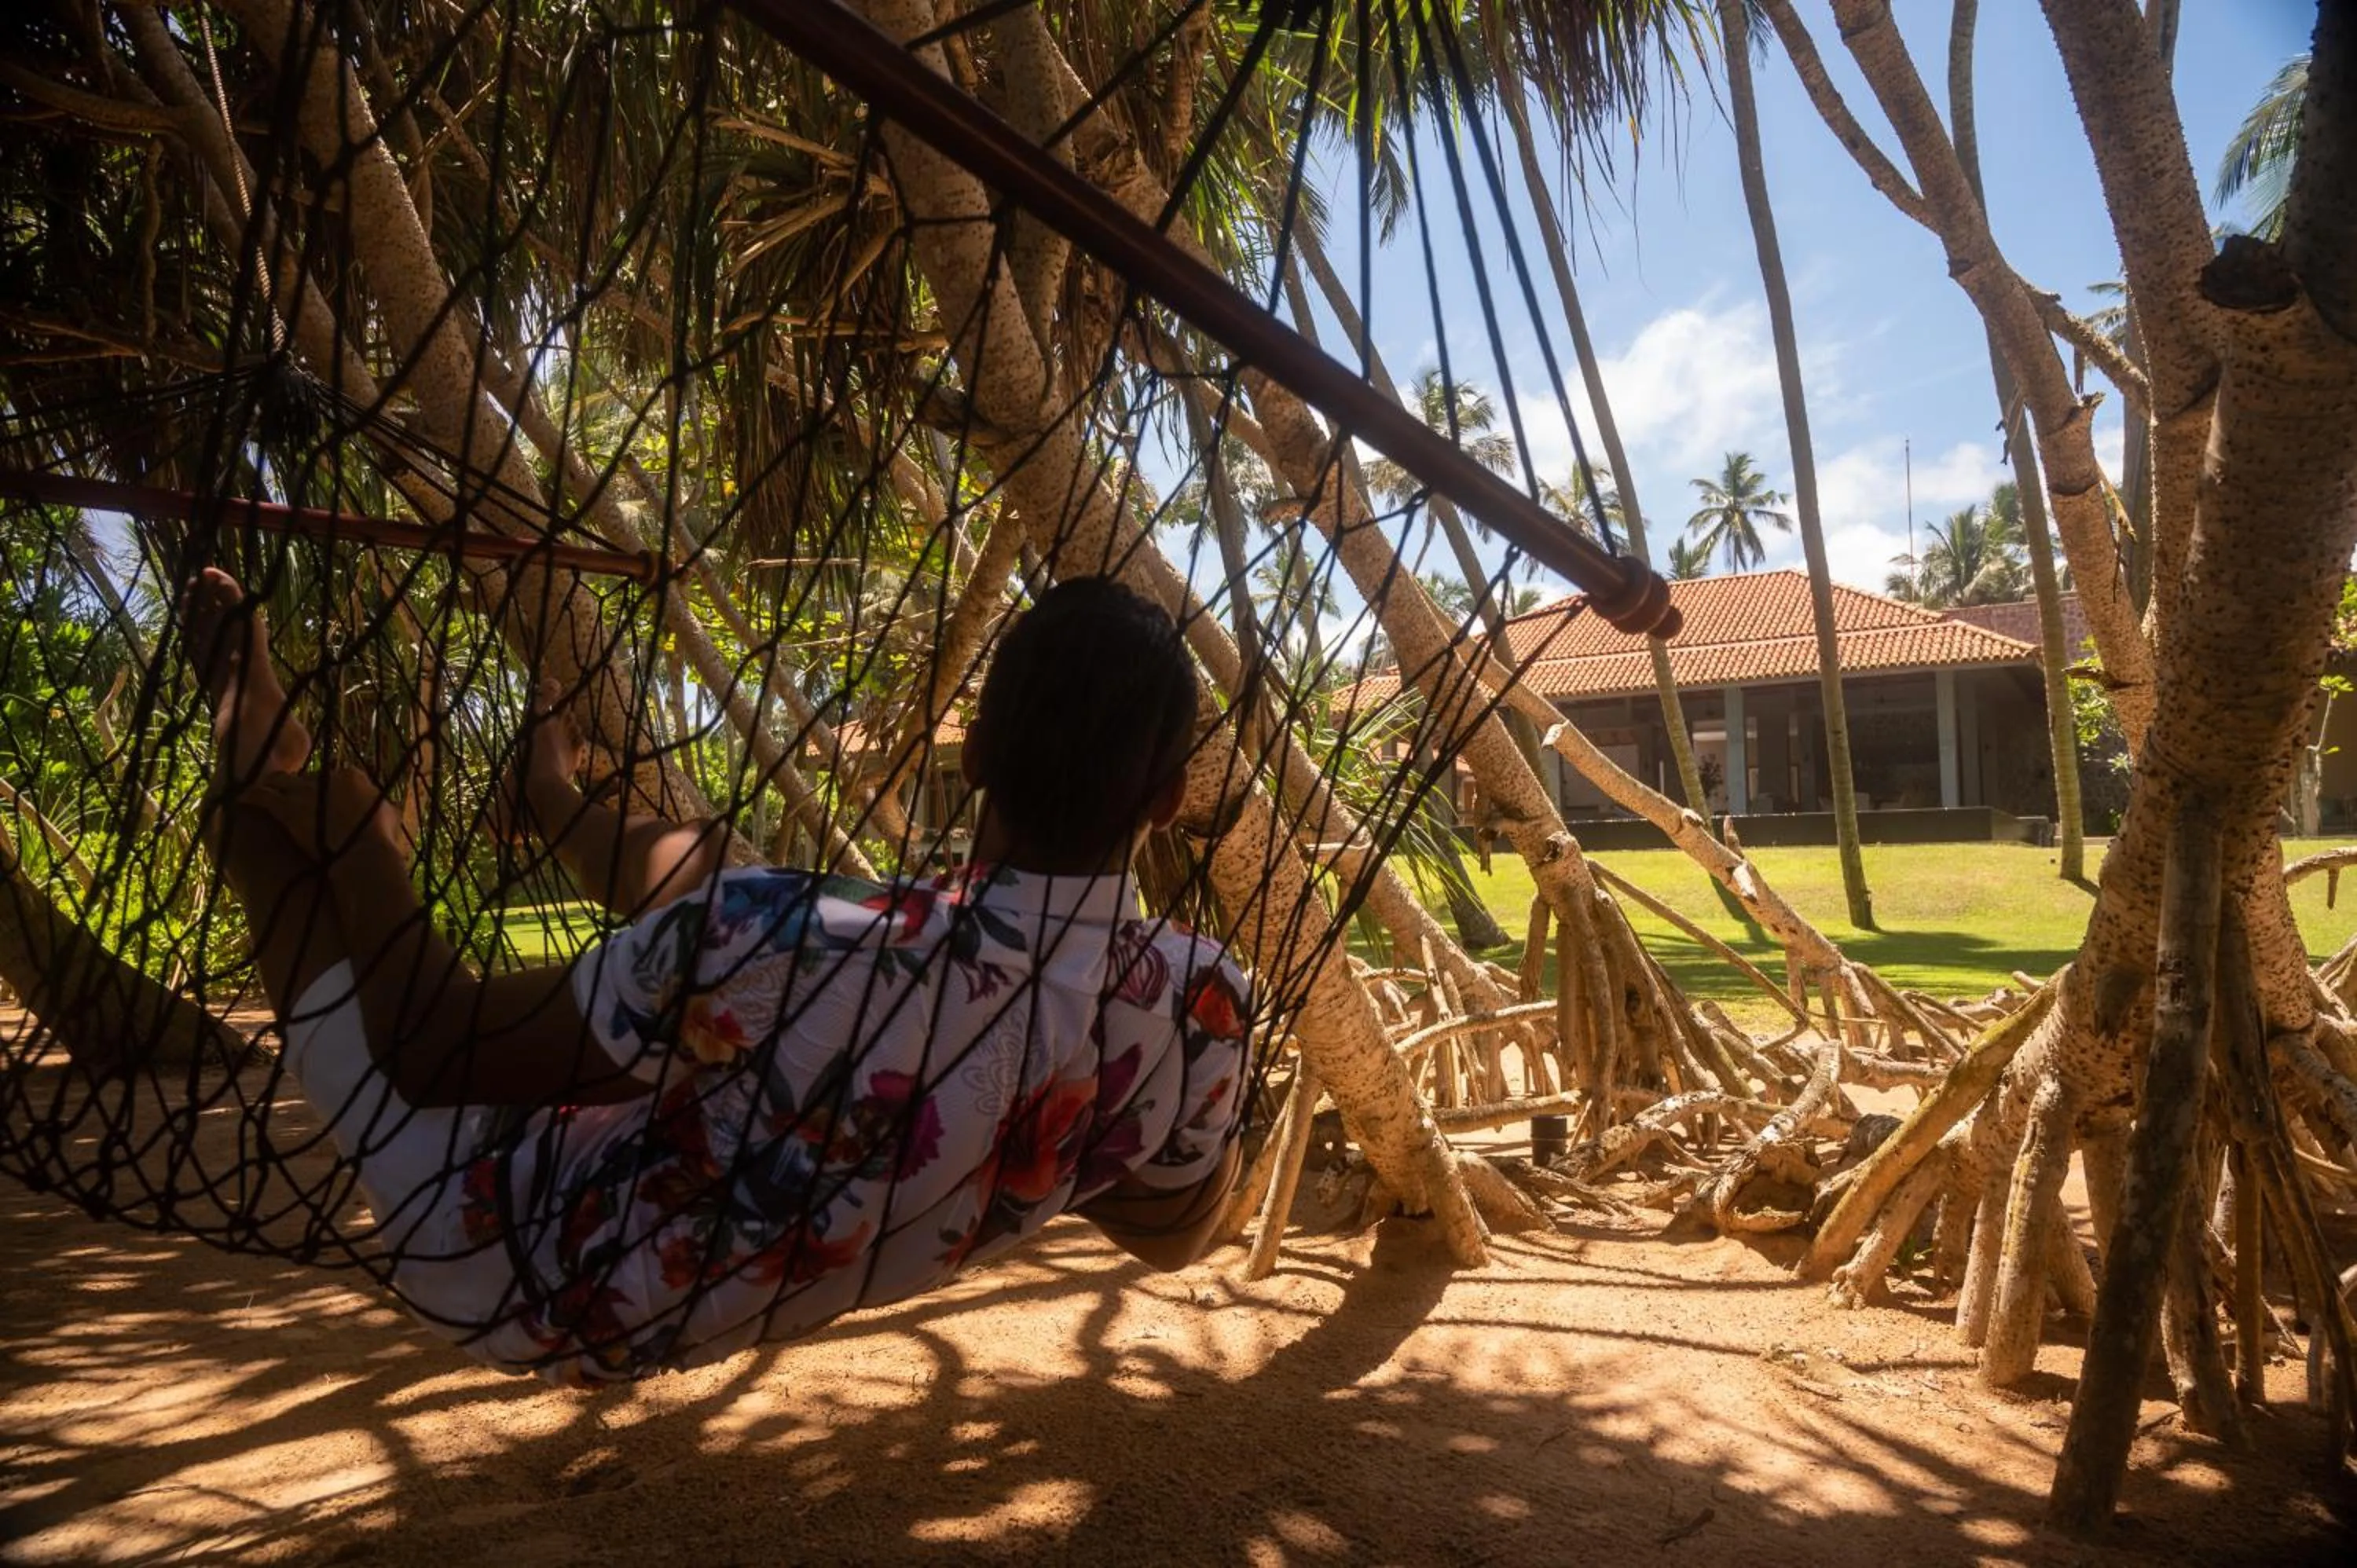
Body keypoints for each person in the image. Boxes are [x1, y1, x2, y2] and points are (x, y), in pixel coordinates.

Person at [183, 568, 1252, 1386]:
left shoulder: (790, 938)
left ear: (970, 756)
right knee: (721, 911)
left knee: (259, 835)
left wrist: (368, 850)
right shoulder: (1203, 1006)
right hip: (674, 1228)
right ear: (1167, 802)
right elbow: (1174, 1236)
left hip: (497, 1251)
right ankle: (550, 804)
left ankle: (264, 747)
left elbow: (428, 1047)